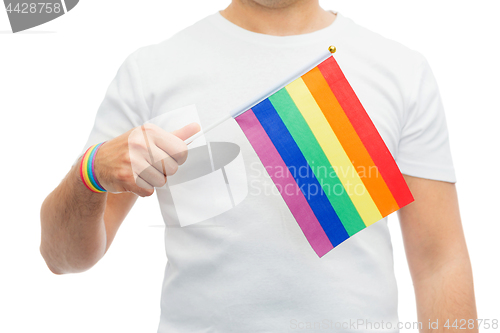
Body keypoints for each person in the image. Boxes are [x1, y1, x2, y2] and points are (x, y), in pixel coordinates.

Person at [40, 0, 477, 331]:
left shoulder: (400, 70)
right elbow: (63, 259)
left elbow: (441, 260)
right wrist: (89, 174)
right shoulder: (151, 70)